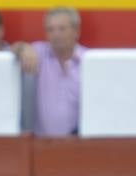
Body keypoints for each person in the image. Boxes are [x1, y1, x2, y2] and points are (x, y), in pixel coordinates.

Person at [16, 7, 86, 136]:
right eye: (50, 29)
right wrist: (22, 48)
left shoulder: (88, 61)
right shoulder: (37, 53)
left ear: (76, 31)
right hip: (41, 145)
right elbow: (13, 49)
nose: (56, 34)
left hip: (79, 145)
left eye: (62, 28)